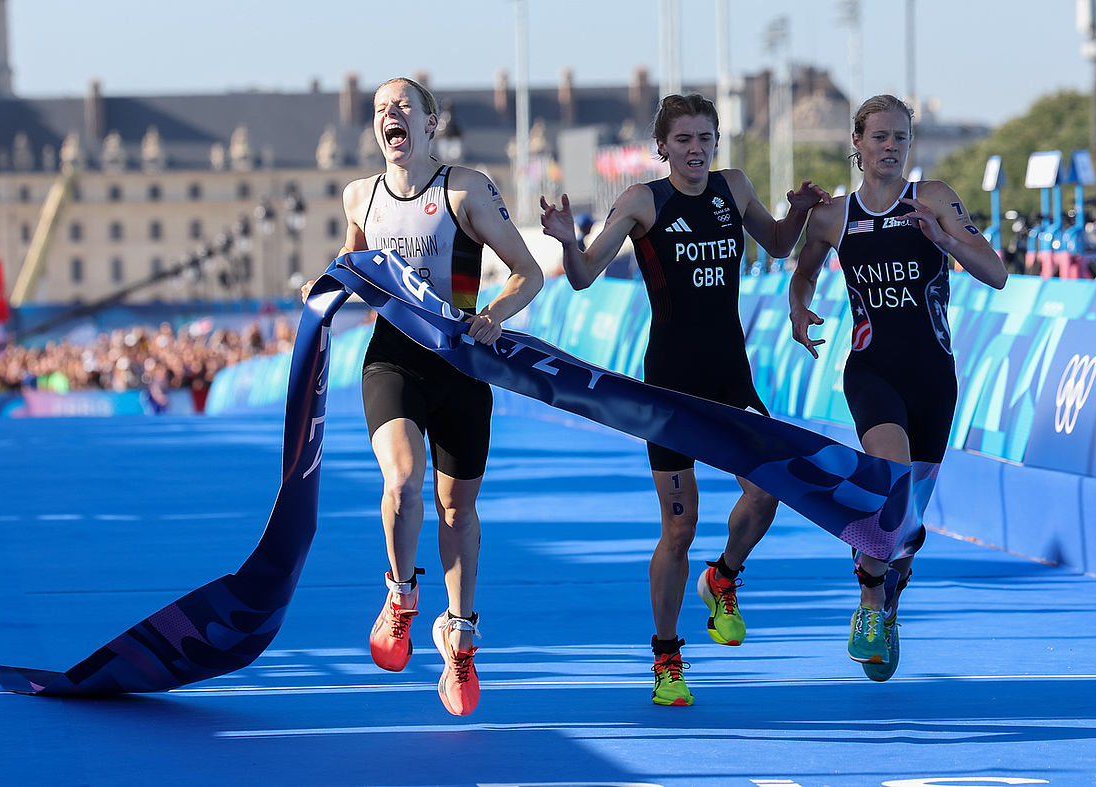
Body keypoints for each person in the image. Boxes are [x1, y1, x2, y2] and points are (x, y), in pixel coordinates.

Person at [540, 93, 830, 707]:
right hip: (669, 389)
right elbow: (586, 275)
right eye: (685, 140)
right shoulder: (644, 201)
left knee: (766, 492)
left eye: (706, 138)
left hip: (730, 377)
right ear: (662, 148)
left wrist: (799, 210)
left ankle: (722, 577)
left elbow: (777, 245)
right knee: (679, 528)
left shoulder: (735, 188)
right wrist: (568, 240)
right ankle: (667, 657)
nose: (696, 149)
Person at [301, 77, 543, 715]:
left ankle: (459, 639)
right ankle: (401, 595)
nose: (391, 116)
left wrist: (492, 314)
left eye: (405, 107)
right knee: (403, 483)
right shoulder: (361, 196)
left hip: (461, 361)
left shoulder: (462, 189)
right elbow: (350, 270)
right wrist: (320, 290)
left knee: (457, 512)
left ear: (432, 125)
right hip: (394, 360)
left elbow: (529, 272)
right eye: (382, 110)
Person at [788, 94, 1007, 682]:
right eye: (879, 137)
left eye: (901, 138)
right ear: (856, 145)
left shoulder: (932, 199)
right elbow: (803, 270)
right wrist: (798, 309)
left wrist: (946, 239)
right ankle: (867, 604)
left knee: (903, 525)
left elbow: (997, 273)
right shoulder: (833, 217)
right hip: (871, 370)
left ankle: (886, 602)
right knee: (888, 481)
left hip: (933, 378)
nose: (891, 147)